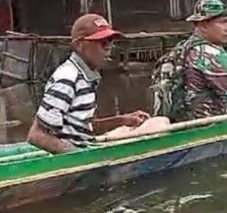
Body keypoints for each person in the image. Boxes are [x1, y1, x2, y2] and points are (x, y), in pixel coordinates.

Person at [27, 13, 154, 154]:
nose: (108, 48)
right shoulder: (67, 78)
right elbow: (37, 135)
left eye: (110, 42)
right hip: (73, 159)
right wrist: (79, 159)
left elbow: (84, 126)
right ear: (79, 45)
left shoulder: (85, 77)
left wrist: (123, 120)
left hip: (83, 149)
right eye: (102, 43)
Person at [151, 0, 227, 122]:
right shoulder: (209, 53)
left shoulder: (181, 50)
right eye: (223, 22)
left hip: (178, 121)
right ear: (203, 25)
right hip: (206, 123)